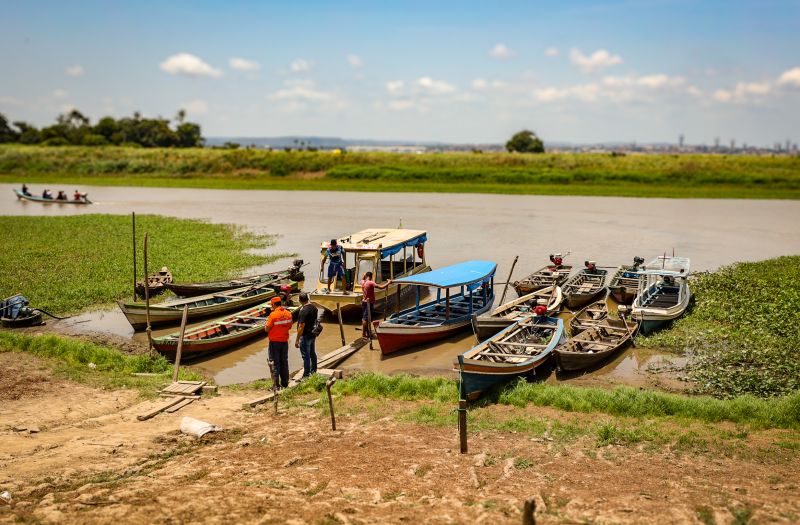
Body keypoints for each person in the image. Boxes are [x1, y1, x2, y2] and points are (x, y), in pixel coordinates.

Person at [265, 296, 293, 388]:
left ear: (273, 304)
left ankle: (276, 386)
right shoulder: (288, 314)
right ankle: (285, 382)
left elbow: (267, 328)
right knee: (284, 362)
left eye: (271, 305)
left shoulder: (272, 315)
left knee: (274, 363)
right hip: (284, 342)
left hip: (274, 343)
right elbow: (289, 327)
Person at [360, 271, 391, 339]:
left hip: (364, 302)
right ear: (371, 276)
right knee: (365, 318)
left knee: (367, 318)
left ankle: (367, 333)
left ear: (366, 276)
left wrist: (364, 275)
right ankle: (363, 334)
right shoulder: (370, 282)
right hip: (369, 303)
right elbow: (381, 287)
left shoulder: (363, 282)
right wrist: (388, 282)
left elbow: (362, 278)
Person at [294, 292, 318, 378]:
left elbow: (301, 326)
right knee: (312, 353)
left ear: (300, 300)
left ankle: (306, 375)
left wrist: (297, 340)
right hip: (313, 334)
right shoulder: (314, 308)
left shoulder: (303, 311)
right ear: (307, 299)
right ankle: (314, 371)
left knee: (306, 356)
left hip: (305, 336)